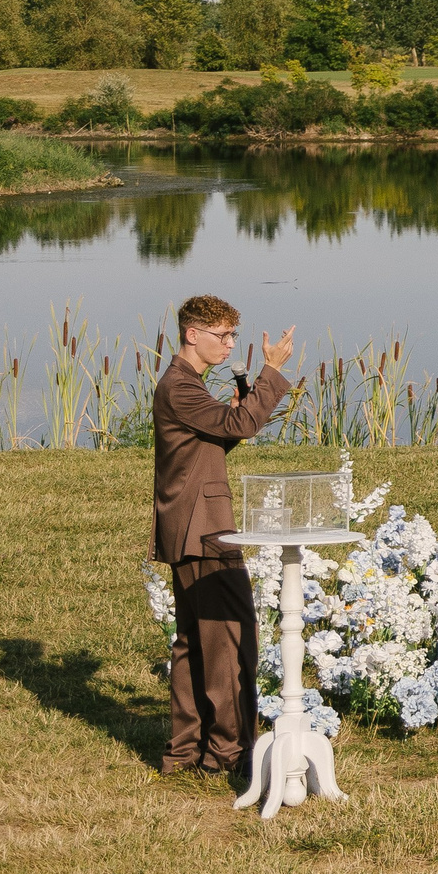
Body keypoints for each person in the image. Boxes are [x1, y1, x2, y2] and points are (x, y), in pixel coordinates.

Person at [152, 294, 294, 780]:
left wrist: (230, 424)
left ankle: (185, 752)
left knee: (194, 642)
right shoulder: (181, 387)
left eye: (233, 334)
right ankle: (228, 754)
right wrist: (271, 373)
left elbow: (208, 445)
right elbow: (246, 423)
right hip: (204, 528)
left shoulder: (183, 385)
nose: (231, 344)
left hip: (189, 524)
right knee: (230, 639)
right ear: (192, 335)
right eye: (223, 335)